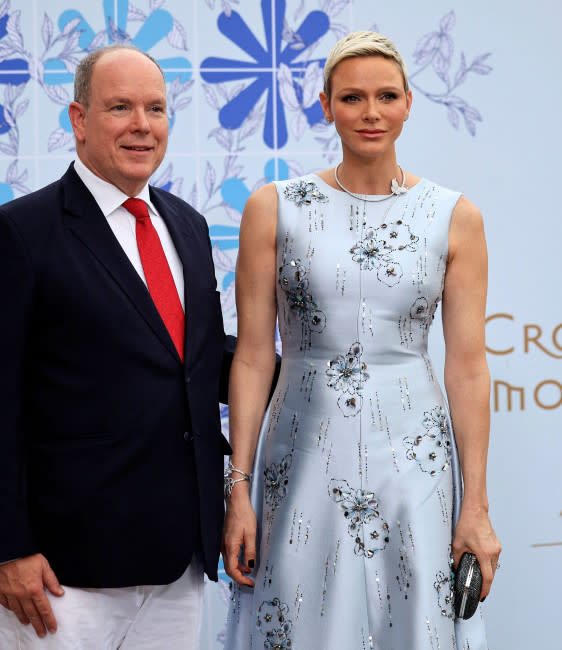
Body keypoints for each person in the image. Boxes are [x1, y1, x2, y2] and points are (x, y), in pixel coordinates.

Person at [222, 31, 501, 650]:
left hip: (415, 458)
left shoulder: (455, 216)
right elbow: (251, 356)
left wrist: (475, 506)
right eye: (351, 98)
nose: (370, 112)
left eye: (385, 96)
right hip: (301, 454)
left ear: (408, 103)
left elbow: (468, 369)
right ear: (325, 105)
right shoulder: (275, 207)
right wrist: (237, 487)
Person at [0, 44, 232, 650]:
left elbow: (198, 358)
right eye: (120, 107)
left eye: (155, 109)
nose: (142, 125)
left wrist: (317, 378)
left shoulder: (187, 223)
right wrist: (7, 548)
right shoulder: (17, 233)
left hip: (177, 559)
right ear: (78, 120)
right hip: (61, 572)